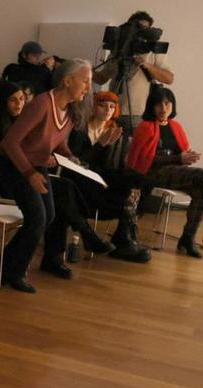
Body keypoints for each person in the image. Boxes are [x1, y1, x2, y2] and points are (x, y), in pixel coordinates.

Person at [0, 59, 91, 293]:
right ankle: (14, 272)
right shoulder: (41, 104)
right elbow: (10, 142)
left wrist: (71, 157)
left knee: (48, 216)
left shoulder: (69, 111)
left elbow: (58, 144)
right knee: (38, 218)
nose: (88, 87)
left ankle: (4, 262)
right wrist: (28, 173)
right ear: (67, 80)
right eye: (85, 81)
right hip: (14, 165)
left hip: (35, 165)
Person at [126, 87, 203, 259]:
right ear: (151, 106)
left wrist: (188, 157)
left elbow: (183, 152)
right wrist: (178, 158)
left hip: (174, 172)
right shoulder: (145, 127)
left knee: (202, 189)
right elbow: (144, 160)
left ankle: (187, 238)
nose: (163, 108)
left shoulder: (176, 126)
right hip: (152, 174)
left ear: (172, 106)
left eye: (167, 103)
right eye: (158, 104)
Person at [61, 90, 151, 263]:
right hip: (79, 180)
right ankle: (124, 240)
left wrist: (111, 148)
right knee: (124, 192)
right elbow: (77, 164)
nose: (108, 110)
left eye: (112, 106)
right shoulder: (80, 129)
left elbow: (105, 166)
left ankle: (125, 236)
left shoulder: (112, 129)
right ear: (94, 107)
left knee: (139, 181)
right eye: (103, 105)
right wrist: (101, 145)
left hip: (99, 176)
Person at [94, 11, 174, 138]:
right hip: (112, 113)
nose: (140, 33)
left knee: (135, 154)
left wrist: (146, 65)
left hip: (139, 116)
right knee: (111, 153)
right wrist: (86, 71)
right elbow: (102, 78)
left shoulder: (153, 52)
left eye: (144, 29)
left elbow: (169, 78)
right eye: (137, 28)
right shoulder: (118, 51)